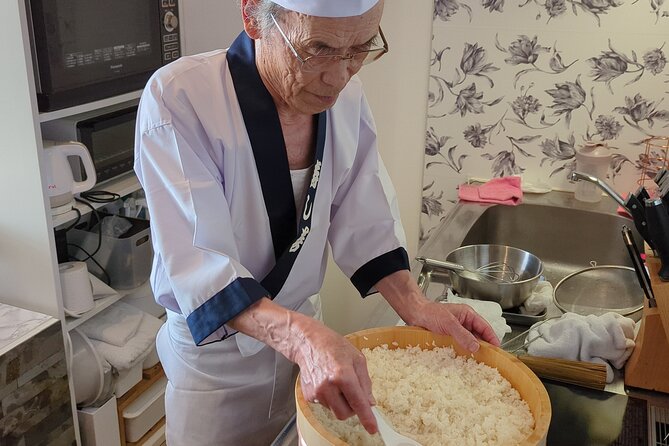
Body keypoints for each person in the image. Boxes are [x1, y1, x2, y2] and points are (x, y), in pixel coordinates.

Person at [134, 0, 499, 444]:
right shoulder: (180, 98)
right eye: (318, 49)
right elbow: (199, 260)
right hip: (218, 367)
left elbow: (363, 213)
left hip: (307, 343)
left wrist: (418, 307)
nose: (340, 76)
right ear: (252, 15)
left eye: (360, 48)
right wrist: (304, 340)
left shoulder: (347, 97)